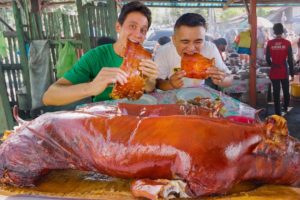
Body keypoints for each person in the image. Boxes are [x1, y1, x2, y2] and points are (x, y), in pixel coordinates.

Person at [43, 1, 158, 106]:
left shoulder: (145, 58)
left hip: (136, 114)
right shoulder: (95, 56)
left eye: (143, 30)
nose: (138, 34)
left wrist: (149, 81)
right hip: (104, 118)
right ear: (118, 27)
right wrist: (91, 87)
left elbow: (149, 88)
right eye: (132, 26)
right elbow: (49, 97)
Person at [154, 13, 232, 91]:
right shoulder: (163, 51)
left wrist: (221, 80)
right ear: (174, 40)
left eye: (198, 42)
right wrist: (170, 84)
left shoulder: (210, 48)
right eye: (185, 42)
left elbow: (229, 78)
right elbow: (156, 83)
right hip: (171, 94)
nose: (191, 48)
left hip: (199, 94)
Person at [266, 23, 294, 116]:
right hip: (284, 69)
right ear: (282, 31)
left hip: (274, 70)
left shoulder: (270, 43)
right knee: (286, 90)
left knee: (276, 91)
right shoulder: (287, 43)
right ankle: (285, 107)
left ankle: (277, 112)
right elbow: (290, 59)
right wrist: (292, 73)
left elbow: (267, 58)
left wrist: (272, 64)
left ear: (274, 31)